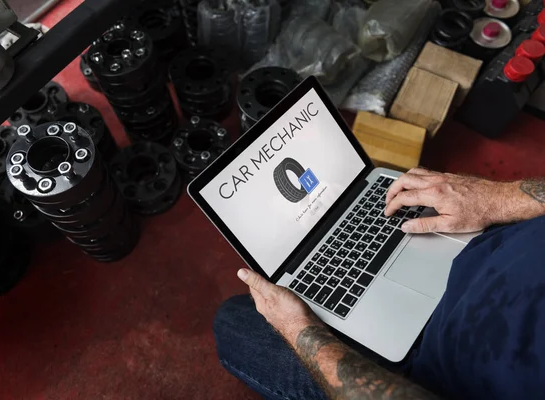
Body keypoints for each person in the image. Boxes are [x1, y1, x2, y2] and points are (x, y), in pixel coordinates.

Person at [213, 168, 545, 400]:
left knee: (234, 322)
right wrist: (495, 198)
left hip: (427, 366)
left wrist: (297, 327)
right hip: (484, 246)